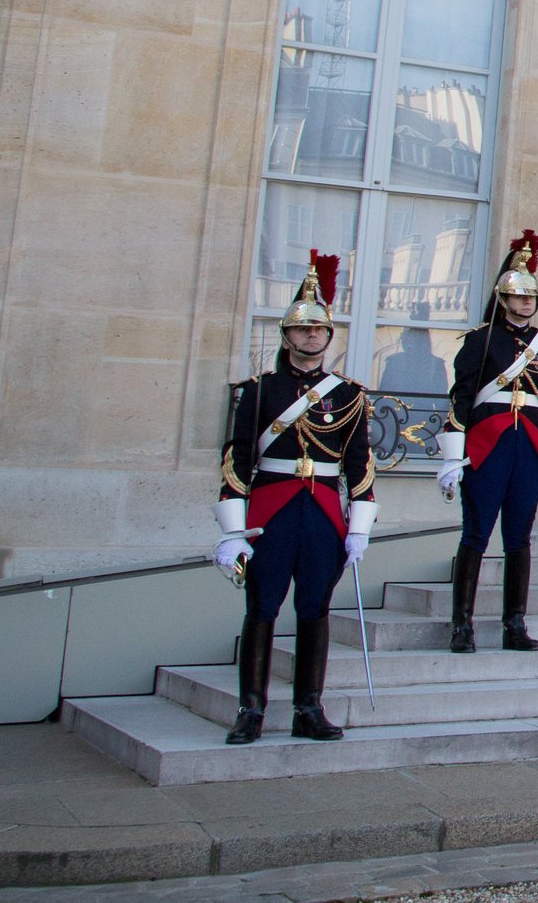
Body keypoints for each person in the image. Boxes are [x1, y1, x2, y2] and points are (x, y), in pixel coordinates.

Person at [213, 253, 377, 744]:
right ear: (286, 336)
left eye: (319, 331)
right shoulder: (259, 392)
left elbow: (359, 465)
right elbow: (236, 462)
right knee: (262, 607)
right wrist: (231, 531)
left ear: (329, 337)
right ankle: (252, 709)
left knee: (315, 608)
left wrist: (360, 528)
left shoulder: (348, 396)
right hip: (271, 510)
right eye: (303, 330)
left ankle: (308, 707)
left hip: (324, 511)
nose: (312, 338)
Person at [434, 230, 538, 654]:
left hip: (529, 446)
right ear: (504, 299)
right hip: (487, 444)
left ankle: (515, 623)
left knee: (519, 538)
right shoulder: (479, 340)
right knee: (475, 535)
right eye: (518, 296)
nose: (526, 303)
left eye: (531, 297)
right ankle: (463, 624)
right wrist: (454, 456)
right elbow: (462, 398)